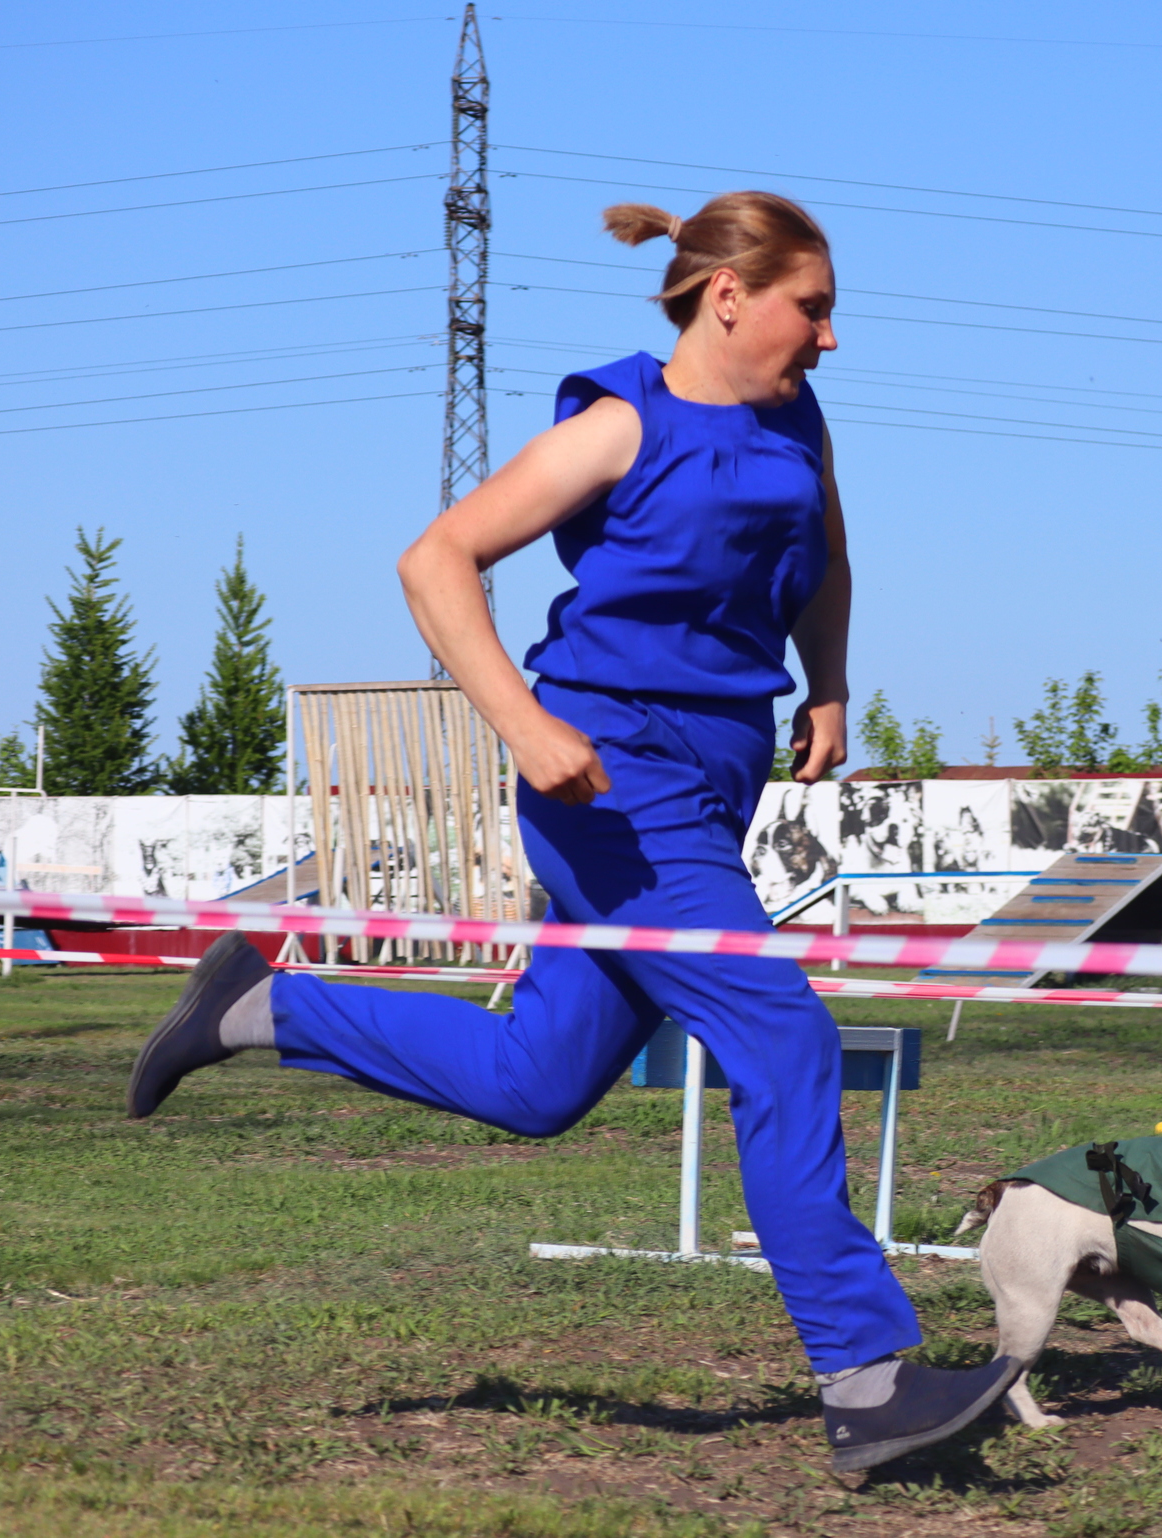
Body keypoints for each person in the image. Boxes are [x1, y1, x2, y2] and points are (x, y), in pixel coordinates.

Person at [125, 192, 1018, 1472]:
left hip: (715, 774)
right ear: (728, 296)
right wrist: (524, 727)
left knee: (536, 1079)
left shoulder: (794, 416)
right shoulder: (618, 425)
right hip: (612, 778)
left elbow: (824, 550)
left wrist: (826, 681)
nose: (827, 339)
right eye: (809, 309)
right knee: (780, 1028)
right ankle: (867, 1377)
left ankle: (261, 1008)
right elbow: (436, 560)